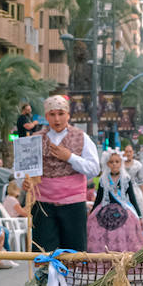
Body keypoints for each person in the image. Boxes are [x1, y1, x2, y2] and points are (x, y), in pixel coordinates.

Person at [28, 95, 100, 252]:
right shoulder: (35, 139)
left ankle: (71, 277)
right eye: (52, 114)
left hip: (73, 203)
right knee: (43, 251)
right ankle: (45, 277)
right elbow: (22, 169)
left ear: (68, 115)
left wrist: (70, 157)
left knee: (74, 251)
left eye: (61, 114)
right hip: (43, 203)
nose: (57, 119)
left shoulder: (81, 137)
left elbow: (94, 168)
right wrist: (24, 182)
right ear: (46, 116)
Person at [86, 150, 143, 252]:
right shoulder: (103, 179)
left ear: (121, 163)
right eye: (111, 162)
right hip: (104, 210)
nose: (114, 164)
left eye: (117, 161)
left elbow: (132, 198)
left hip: (124, 210)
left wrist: (139, 216)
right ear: (107, 164)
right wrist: (92, 214)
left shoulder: (126, 178)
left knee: (125, 232)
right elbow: (99, 198)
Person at [123, 145, 143, 237]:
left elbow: (141, 182)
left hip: (135, 192)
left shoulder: (138, 165)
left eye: (130, 151)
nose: (128, 154)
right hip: (122, 192)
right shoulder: (119, 164)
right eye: (126, 151)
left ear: (133, 153)